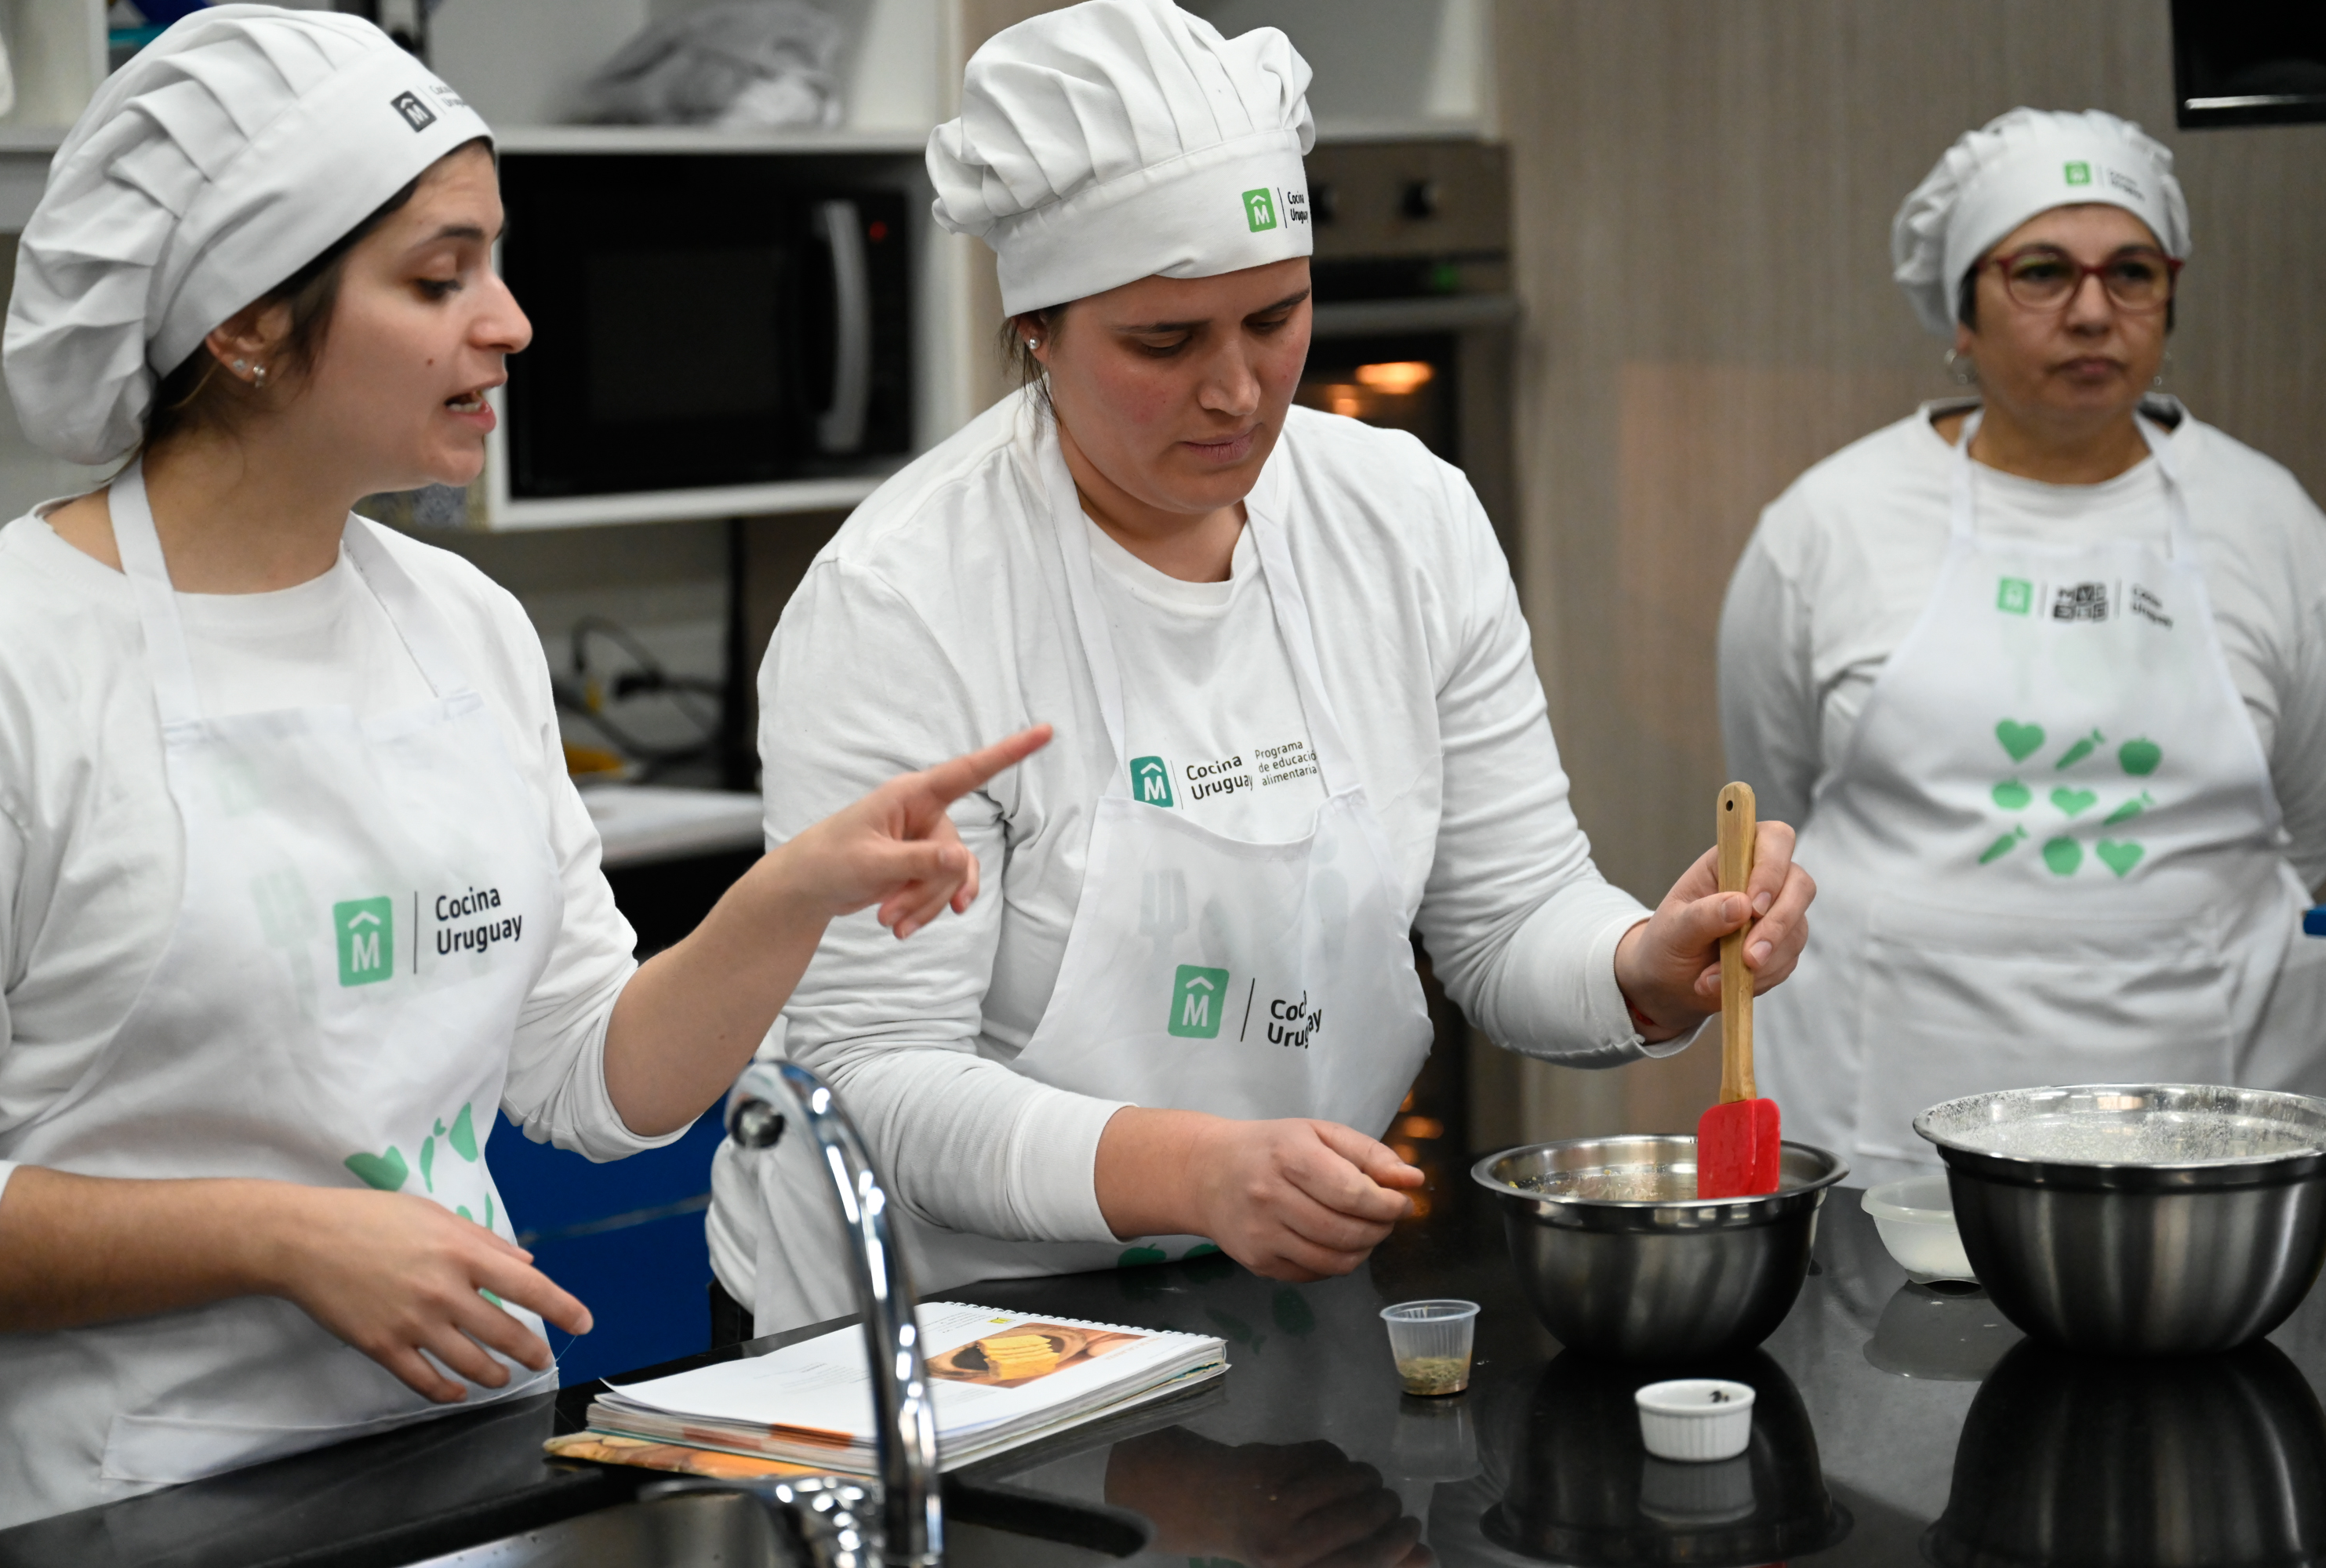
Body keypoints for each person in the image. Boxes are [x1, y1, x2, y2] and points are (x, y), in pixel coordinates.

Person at [0, 9, 1041, 1531]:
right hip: (124, 1503)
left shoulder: (462, 630)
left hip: (465, 1472)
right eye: (436, 276)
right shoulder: (10, 666)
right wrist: (284, 1235)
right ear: (246, 324)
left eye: (497, 261)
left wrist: (790, 894)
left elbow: (594, 1080)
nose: (512, 322)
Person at [706, 0, 1816, 1338]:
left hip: (1265, 1288)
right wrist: (1196, 1167)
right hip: (934, 1324)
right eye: (1165, 344)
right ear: (1040, 332)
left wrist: (1646, 965)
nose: (1238, 391)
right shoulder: (907, 602)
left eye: (1276, 316)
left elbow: (1510, 919)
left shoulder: (1405, 521)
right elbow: (875, 1081)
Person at [1720, 108, 2326, 1185]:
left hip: (2207, 1110)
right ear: (1961, 312)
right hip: (1889, 1112)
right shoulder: (1832, 524)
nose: (2093, 313)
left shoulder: (2269, 522)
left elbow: (2319, 828)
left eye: (2131, 273)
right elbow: (1774, 814)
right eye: (2041, 272)